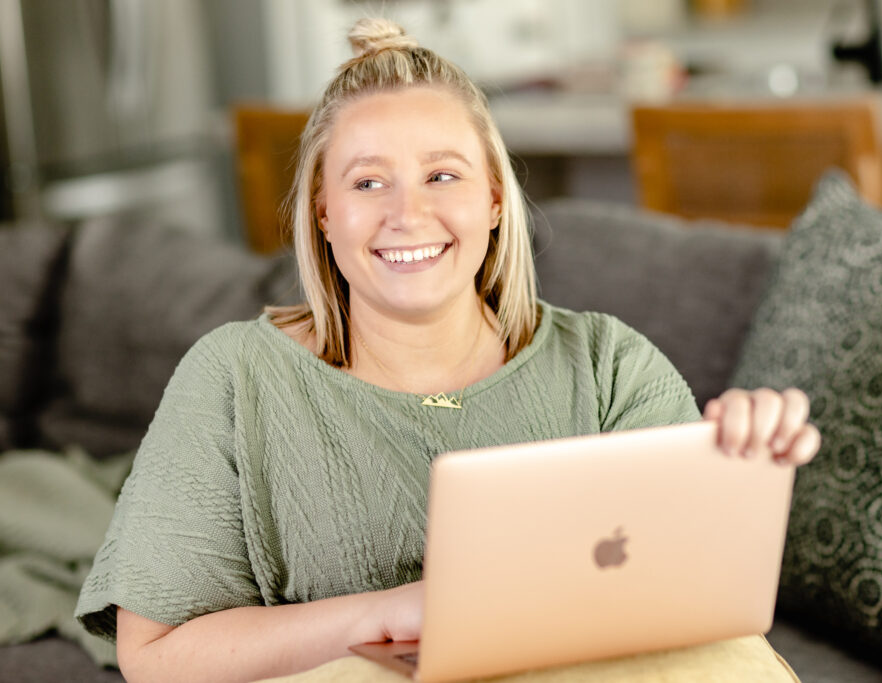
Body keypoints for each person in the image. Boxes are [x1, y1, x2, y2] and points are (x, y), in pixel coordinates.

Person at [75, 18, 820, 683]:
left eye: (442, 175)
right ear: (323, 214)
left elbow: (695, 611)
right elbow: (156, 653)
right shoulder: (233, 374)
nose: (409, 213)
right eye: (369, 182)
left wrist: (739, 457)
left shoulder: (608, 364)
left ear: (495, 199)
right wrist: (386, 613)